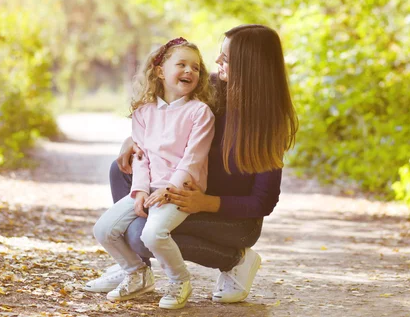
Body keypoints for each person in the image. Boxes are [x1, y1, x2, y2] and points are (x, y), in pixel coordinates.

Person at [86, 24, 298, 303]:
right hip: (184, 191)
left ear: (250, 66)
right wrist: (134, 140)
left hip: (232, 218)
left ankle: (236, 260)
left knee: (140, 235)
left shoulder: (269, 122)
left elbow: (263, 201)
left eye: (227, 58)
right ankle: (135, 271)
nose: (217, 61)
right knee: (121, 170)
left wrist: (204, 203)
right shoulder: (208, 89)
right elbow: (165, 120)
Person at [92, 37, 215, 310]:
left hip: (181, 190)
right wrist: (140, 192)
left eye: (195, 67)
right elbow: (141, 158)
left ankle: (179, 280)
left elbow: (192, 159)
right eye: (181, 64)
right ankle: (137, 273)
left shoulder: (199, 112)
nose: (189, 71)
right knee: (103, 229)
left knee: (152, 234)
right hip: (151, 189)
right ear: (160, 72)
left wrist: (168, 189)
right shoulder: (144, 113)